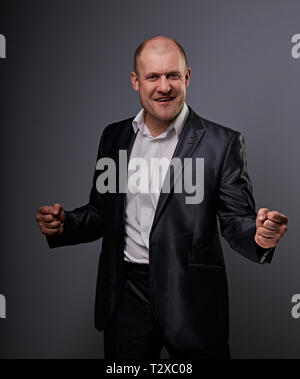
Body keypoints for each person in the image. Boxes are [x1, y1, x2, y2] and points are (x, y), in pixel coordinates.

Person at [36, 36, 288, 359]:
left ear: (187, 77)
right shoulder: (114, 138)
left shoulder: (221, 144)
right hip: (125, 298)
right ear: (135, 81)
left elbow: (236, 220)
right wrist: (65, 224)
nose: (164, 86)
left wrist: (260, 235)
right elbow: (102, 211)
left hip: (191, 300)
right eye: (153, 77)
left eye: (172, 75)